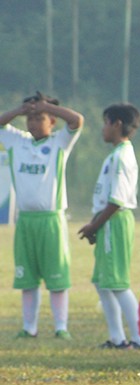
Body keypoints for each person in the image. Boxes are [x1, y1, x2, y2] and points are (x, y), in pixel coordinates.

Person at [0, 92, 84, 340]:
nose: (33, 123)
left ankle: (61, 327)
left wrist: (48, 106)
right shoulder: (17, 141)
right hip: (25, 220)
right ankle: (29, 327)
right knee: (27, 278)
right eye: (31, 118)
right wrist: (18, 110)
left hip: (51, 220)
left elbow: (77, 120)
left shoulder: (59, 142)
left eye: (40, 118)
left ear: (52, 121)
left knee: (57, 277)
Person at [76, 103, 140, 350]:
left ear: (117, 124)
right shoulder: (115, 154)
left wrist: (95, 226)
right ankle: (117, 338)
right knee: (102, 281)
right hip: (107, 221)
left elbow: (117, 200)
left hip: (114, 222)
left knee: (117, 283)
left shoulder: (122, 157)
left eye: (106, 123)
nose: (103, 129)